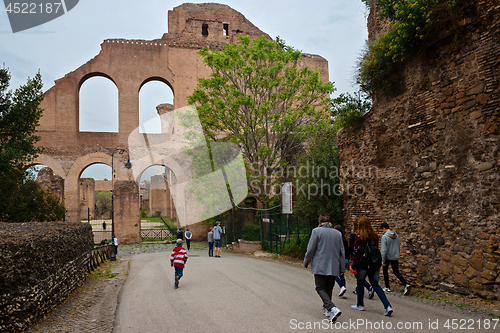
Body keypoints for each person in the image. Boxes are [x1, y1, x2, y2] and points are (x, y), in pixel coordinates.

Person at [303, 213, 344, 323]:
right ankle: (327, 310)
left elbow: (311, 249)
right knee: (329, 288)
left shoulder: (316, 231)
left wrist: (306, 261)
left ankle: (332, 308)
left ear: (319, 222)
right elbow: (342, 252)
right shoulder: (337, 234)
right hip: (334, 265)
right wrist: (342, 267)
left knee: (320, 287)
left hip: (321, 265)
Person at [351, 216, 393, 316]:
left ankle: (360, 304)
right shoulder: (375, 236)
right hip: (374, 264)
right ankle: (387, 306)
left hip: (363, 264)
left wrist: (353, 265)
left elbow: (356, 252)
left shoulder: (359, 236)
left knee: (360, 283)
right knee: (375, 284)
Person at [380, 222, 411, 295]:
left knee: (385, 271)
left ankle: (387, 287)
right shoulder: (396, 236)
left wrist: (383, 260)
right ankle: (406, 284)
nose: (382, 231)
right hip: (395, 256)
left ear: (384, 228)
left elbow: (384, 250)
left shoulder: (384, 237)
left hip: (387, 257)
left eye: (382, 230)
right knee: (396, 272)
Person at [348, 219, 373, 298]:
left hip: (357, 257)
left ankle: (369, 287)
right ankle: (358, 289)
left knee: (358, 275)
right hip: (366, 257)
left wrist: (350, 257)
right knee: (359, 275)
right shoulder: (365, 235)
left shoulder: (354, 236)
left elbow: (352, 247)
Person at [334, 225, 348, 298]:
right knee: (342, 275)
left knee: (334, 274)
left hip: (338, 259)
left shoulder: (336, 240)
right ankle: (344, 292)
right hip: (344, 259)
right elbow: (347, 250)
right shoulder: (344, 240)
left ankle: (342, 287)